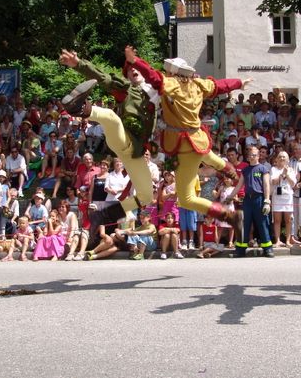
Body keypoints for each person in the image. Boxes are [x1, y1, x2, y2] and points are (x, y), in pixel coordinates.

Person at [126, 51, 250, 228]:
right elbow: (219, 86)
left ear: (175, 74)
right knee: (204, 154)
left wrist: (136, 61)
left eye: (169, 71)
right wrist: (238, 83)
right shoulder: (198, 84)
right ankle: (226, 167)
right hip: (198, 138)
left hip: (185, 146)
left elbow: (155, 78)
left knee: (186, 200)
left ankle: (228, 215)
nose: (167, 74)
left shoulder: (173, 84)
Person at [59, 46, 160, 224]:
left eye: (136, 68)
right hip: (122, 138)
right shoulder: (127, 89)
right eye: (130, 70)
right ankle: (80, 108)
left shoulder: (158, 93)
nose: (133, 70)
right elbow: (103, 77)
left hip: (134, 155)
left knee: (145, 196)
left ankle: (108, 213)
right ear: (127, 76)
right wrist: (78, 64)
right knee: (112, 118)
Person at [230, 146, 274, 257]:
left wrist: (267, 201)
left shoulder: (263, 169)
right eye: (250, 155)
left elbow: (266, 185)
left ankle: (268, 249)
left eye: (254, 155)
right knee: (244, 225)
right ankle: (240, 250)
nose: (252, 157)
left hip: (259, 198)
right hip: (247, 200)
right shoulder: (245, 170)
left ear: (259, 156)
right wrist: (230, 197)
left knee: (263, 224)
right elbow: (239, 185)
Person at [270, 151, 297, 247]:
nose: (282, 159)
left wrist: (287, 174)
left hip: (288, 197)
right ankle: (277, 241)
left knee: (289, 220)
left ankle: (288, 241)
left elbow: (293, 184)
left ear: (288, 160)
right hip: (277, 196)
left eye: (284, 157)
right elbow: (273, 181)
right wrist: (282, 174)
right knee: (277, 220)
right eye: (280, 157)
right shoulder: (273, 169)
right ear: (276, 159)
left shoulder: (291, 170)